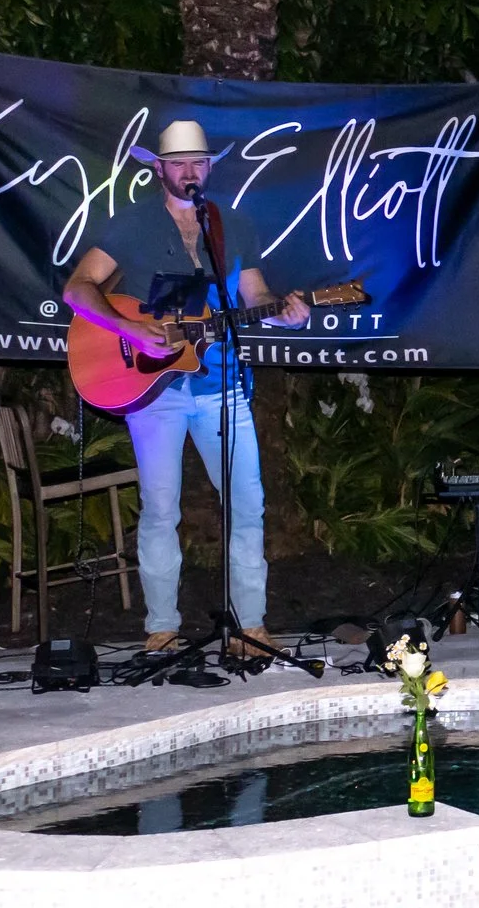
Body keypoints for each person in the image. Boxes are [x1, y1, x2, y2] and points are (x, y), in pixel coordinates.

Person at [60, 118, 310, 661]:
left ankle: (251, 626)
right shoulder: (132, 223)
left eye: (198, 162)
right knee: (160, 508)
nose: (189, 171)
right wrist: (129, 329)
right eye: (178, 163)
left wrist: (284, 313)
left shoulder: (231, 224)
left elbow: (254, 296)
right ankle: (161, 627)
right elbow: (77, 289)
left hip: (223, 384)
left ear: (210, 167)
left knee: (247, 505)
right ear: (159, 168)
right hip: (155, 390)